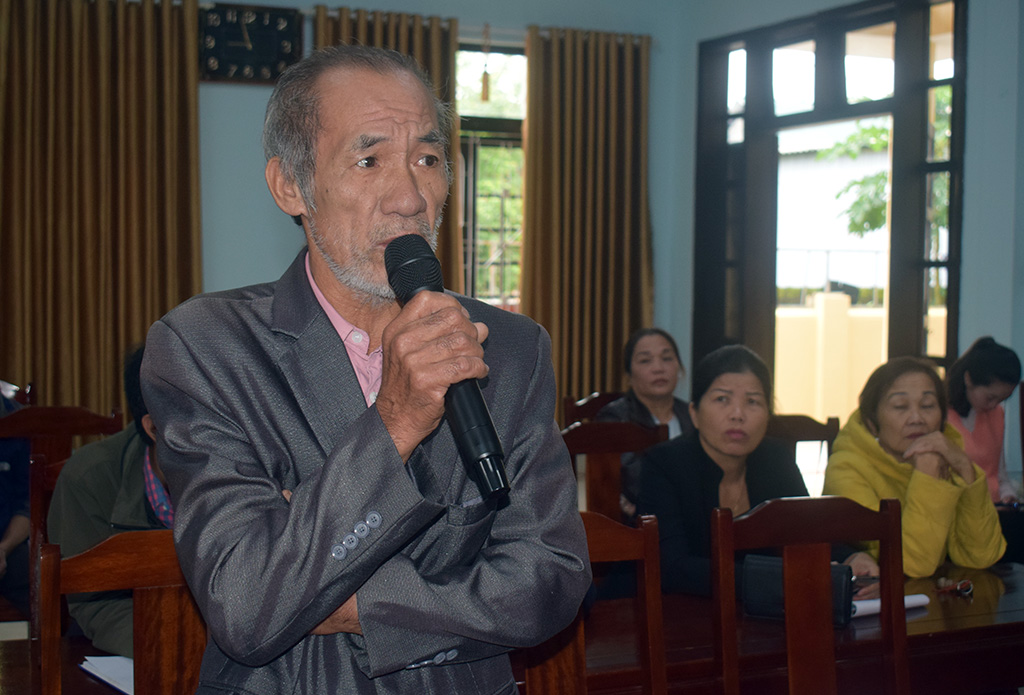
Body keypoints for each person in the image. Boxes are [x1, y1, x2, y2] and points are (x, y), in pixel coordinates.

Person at [141, 45, 590, 694]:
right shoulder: (204, 348)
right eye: (369, 159)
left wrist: (342, 596)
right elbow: (246, 605)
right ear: (291, 186)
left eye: (428, 159)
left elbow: (549, 580)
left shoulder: (511, 347)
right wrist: (396, 420)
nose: (409, 198)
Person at [637, 344, 878, 596]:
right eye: (722, 399)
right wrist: (784, 577)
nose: (738, 414)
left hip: (762, 610)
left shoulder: (776, 458)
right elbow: (670, 567)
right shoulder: (663, 464)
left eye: (752, 401)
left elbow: (806, 531)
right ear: (694, 413)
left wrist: (851, 558)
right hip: (680, 608)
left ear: (768, 415)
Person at [823, 356, 1006, 578]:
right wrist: (927, 478)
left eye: (928, 406)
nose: (917, 418)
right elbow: (909, 565)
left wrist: (965, 469)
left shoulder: (947, 459)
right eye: (900, 407)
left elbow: (982, 556)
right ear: (872, 422)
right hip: (881, 595)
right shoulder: (846, 469)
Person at [47, 345, 171, 657]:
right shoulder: (89, 479)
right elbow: (97, 605)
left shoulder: (250, 467)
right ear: (153, 428)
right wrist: (181, 649)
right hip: (136, 649)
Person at [596, 327, 695, 520]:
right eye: (645, 360)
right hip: (639, 524)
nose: (658, 368)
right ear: (629, 375)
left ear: (679, 368)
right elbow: (633, 482)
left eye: (667, 358)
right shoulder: (615, 417)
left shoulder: (693, 414)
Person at [946, 337, 1022, 504]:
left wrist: (1008, 495)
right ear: (968, 379)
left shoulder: (997, 414)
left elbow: (1000, 476)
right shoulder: (942, 417)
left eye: (1002, 399)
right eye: (990, 397)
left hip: (992, 509)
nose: (994, 405)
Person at [0, 392, 30, 619]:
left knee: (40, 577)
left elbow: (28, 505)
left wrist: (4, 548)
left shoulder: (21, 421)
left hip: (9, 543)